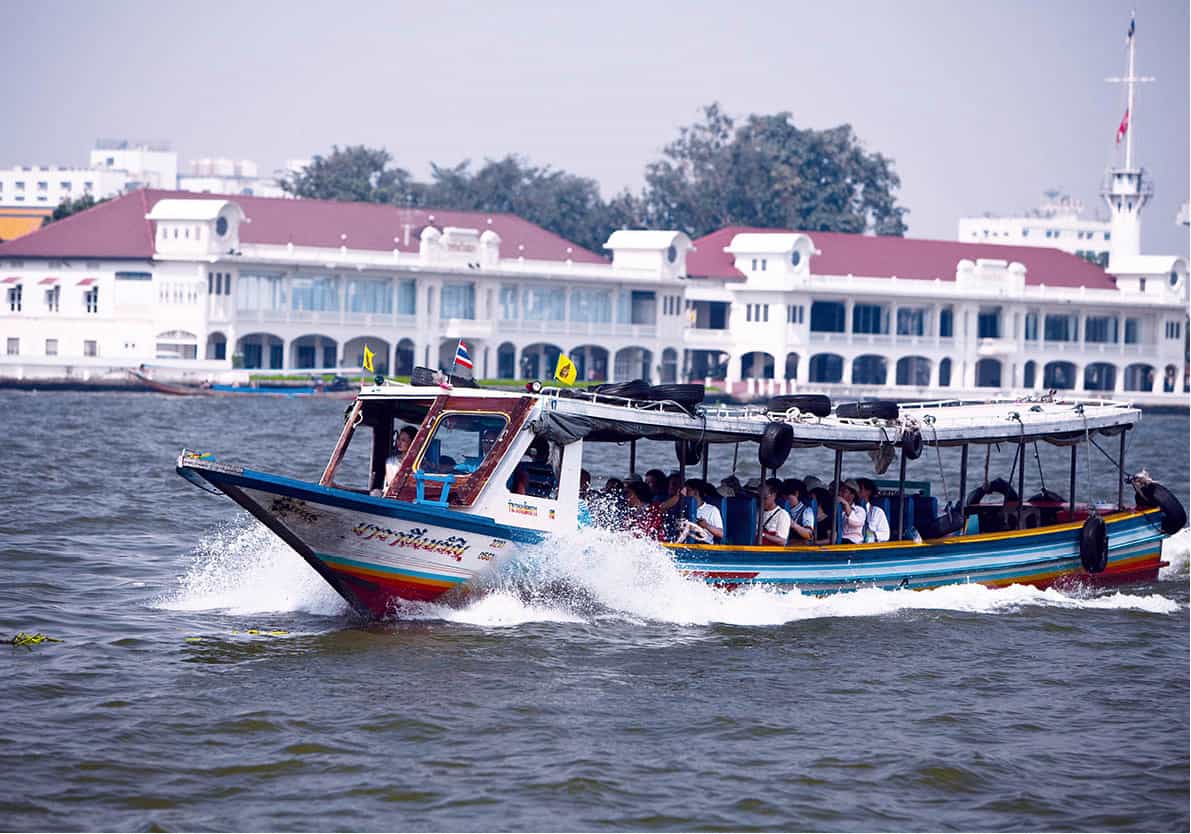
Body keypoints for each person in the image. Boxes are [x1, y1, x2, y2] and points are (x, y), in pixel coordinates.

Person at [679, 479, 724, 543]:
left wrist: (706, 525)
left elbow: (721, 534)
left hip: (704, 545)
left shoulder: (712, 510)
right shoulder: (682, 508)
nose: (685, 493)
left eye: (688, 490)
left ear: (696, 492)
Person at [856, 477, 891, 543]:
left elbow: (886, 535)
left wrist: (871, 534)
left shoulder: (877, 512)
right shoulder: (850, 509)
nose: (857, 492)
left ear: (868, 492)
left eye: (860, 489)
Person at [383, 425, 418, 490]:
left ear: (413, 442)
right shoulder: (391, 462)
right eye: (398, 439)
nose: (399, 443)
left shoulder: (419, 462)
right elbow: (393, 485)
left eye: (403, 440)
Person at [759, 478, 791, 546]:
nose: (761, 501)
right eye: (759, 498)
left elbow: (782, 541)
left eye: (765, 498)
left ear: (773, 495)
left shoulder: (782, 514)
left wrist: (763, 535)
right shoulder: (756, 513)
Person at [783, 478, 816, 543]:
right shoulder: (784, 509)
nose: (785, 499)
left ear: (796, 494)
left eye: (787, 497)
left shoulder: (806, 511)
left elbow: (809, 534)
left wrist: (793, 525)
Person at [837, 479, 868, 544]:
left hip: (853, 543)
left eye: (844, 492)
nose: (840, 494)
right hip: (838, 540)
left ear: (852, 495)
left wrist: (846, 504)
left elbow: (855, 522)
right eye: (840, 491)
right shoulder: (836, 510)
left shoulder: (860, 510)